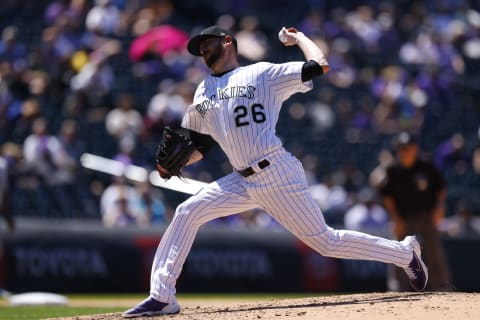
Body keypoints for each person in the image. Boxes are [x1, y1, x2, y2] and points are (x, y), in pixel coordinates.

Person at [123, 26, 428, 318]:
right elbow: (200, 145)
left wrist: (300, 39)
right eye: (199, 48)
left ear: (228, 41)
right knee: (188, 211)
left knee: (325, 242)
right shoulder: (204, 89)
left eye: (207, 42)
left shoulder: (262, 73)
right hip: (241, 180)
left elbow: (318, 66)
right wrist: (173, 164)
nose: (202, 49)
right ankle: (162, 296)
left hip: (276, 173)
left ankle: (404, 253)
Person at [378, 131, 452, 291]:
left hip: (426, 215)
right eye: (402, 148)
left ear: (415, 148)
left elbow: (441, 188)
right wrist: (395, 219)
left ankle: (442, 287)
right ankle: (397, 288)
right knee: (397, 250)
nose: (406, 151)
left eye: (408, 148)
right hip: (404, 217)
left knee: (434, 252)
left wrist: (439, 207)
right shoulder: (393, 170)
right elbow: (387, 197)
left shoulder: (426, 166)